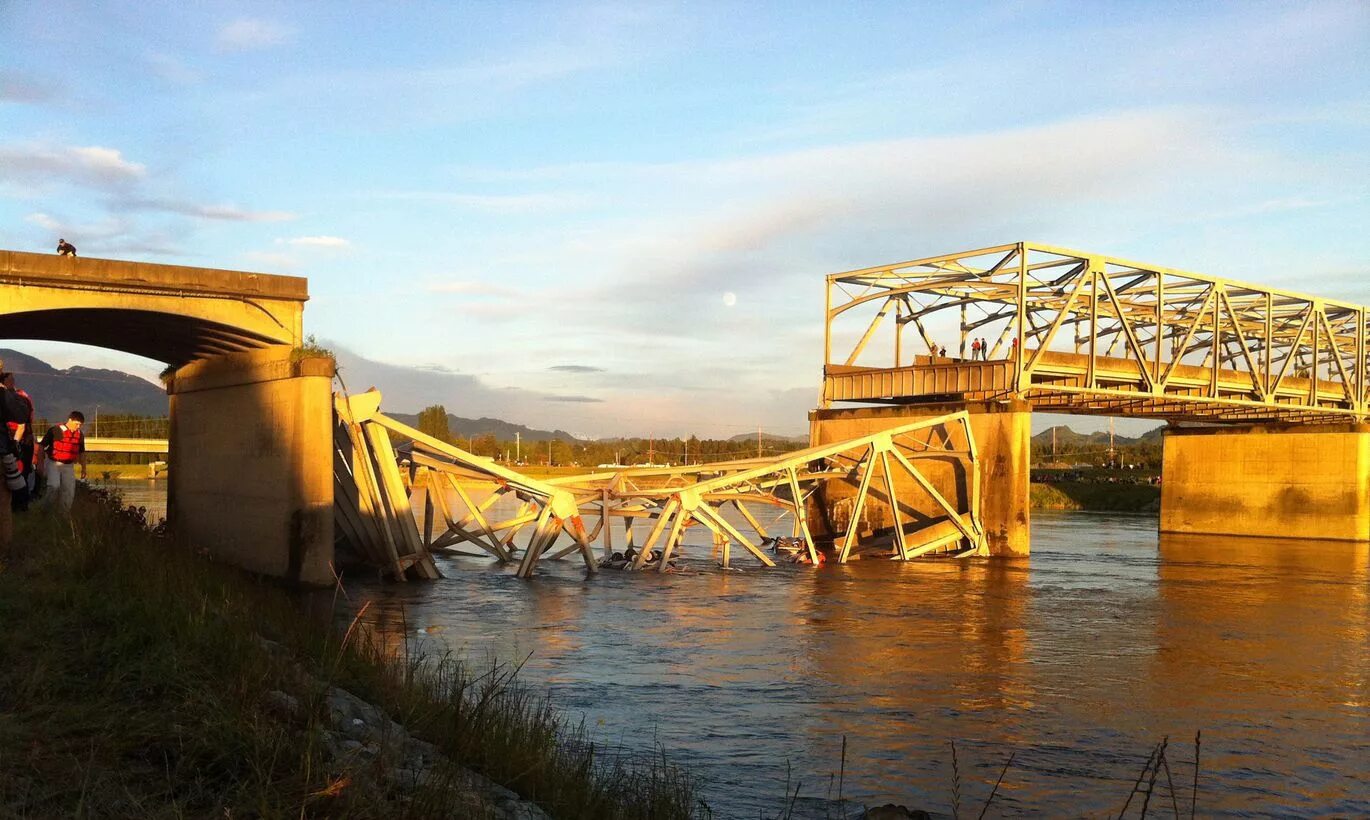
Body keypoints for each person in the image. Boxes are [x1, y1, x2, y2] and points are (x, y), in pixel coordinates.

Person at [0, 372, 31, 549]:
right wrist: (9, 391)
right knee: (4, 503)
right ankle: (4, 551)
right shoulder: (3, 394)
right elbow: (21, 414)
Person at [40, 410, 86, 513]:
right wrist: (40, 462)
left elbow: (82, 452)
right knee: (54, 486)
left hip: (68, 465)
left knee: (69, 491)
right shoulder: (56, 430)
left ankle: (63, 515)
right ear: (70, 420)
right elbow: (41, 446)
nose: (78, 426)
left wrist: (84, 468)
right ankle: (45, 511)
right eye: (76, 424)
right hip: (54, 463)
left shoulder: (80, 435)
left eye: (80, 425)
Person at [2, 373, 35, 511]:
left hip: (19, 442)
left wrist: (14, 443)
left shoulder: (17, 397)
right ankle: (18, 506)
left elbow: (22, 422)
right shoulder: (17, 397)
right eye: (10, 380)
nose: (13, 382)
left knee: (21, 473)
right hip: (11, 443)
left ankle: (19, 506)